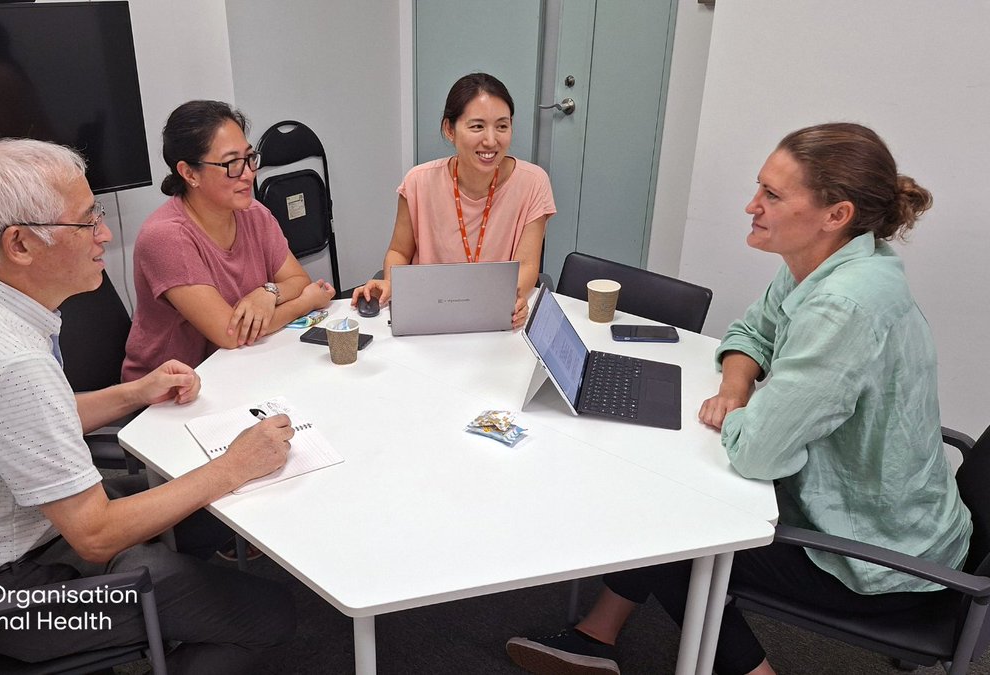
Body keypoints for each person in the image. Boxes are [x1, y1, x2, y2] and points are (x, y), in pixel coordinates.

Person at [504, 123, 972, 675]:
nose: (752, 205)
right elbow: (750, 334)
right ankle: (596, 636)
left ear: (836, 214)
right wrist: (735, 389)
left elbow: (758, 454)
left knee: (673, 528)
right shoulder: (827, 263)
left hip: (878, 560)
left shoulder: (844, 305)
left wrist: (745, 416)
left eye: (773, 196)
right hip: (900, 520)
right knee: (673, 487)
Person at [0, 138, 296, 673]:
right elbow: (95, 535)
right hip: (20, 599)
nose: (105, 236)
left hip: (7, 546)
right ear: (19, 244)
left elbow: (25, 425)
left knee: (198, 510)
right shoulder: (9, 361)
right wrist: (236, 464)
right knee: (272, 615)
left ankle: (187, 595)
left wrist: (132, 392)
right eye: (87, 222)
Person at [122, 100, 334, 379]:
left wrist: (267, 293)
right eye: (232, 163)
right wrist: (306, 302)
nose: (248, 174)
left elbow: (298, 280)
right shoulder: (166, 236)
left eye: (249, 158)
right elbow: (231, 334)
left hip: (238, 367)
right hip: (170, 391)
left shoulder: (254, 213)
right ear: (189, 173)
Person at [350, 72, 555, 329]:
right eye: (477, 126)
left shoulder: (533, 183)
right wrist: (391, 283)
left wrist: (504, 302)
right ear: (450, 129)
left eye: (502, 126)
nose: (491, 140)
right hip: (428, 317)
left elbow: (526, 265)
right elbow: (399, 251)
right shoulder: (418, 182)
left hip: (496, 317)